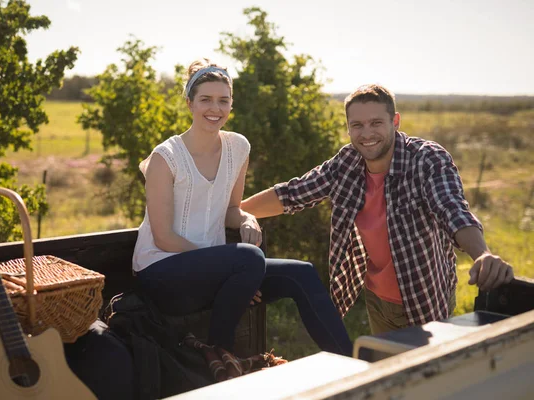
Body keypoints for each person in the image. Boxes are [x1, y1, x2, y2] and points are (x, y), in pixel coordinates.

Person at [241, 84, 514, 335]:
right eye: (357, 125)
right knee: (388, 377)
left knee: (424, 381)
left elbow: (452, 209)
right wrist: (234, 212)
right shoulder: (346, 162)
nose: (367, 133)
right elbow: (292, 194)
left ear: (395, 121)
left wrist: (482, 254)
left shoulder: (427, 159)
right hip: (377, 299)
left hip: (425, 299)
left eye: (376, 123)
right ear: (348, 128)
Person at [132, 59, 352, 356]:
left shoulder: (238, 148)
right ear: (189, 103)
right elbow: (163, 238)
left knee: (302, 274)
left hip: (222, 269)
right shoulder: (166, 157)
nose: (215, 109)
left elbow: (232, 209)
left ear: (232, 104)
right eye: (206, 100)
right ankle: (219, 359)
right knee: (249, 258)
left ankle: (355, 365)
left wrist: (246, 218)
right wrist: (229, 273)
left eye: (223, 100)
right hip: (162, 274)